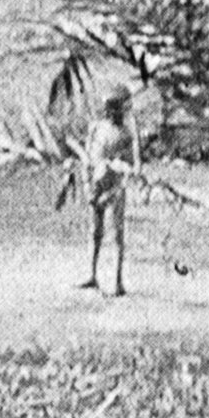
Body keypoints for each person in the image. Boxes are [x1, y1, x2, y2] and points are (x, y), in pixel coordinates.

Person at [74, 83, 136, 297]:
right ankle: (92, 274)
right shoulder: (97, 128)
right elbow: (88, 159)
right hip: (96, 185)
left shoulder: (126, 134)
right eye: (116, 108)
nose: (119, 113)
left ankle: (117, 282)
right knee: (95, 232)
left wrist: (115, 191)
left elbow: (130, 168)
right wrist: (87, 185)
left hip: (114, 188)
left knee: (117, 235)